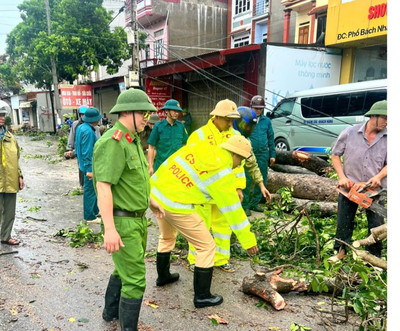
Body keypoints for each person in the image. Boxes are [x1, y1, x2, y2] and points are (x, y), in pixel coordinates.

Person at [150, 135, 258, 308]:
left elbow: (170, 164)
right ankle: (202, 296)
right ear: (235, 154)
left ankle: (163, 277)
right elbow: (233, 211)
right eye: (241, 160)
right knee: (206, 246)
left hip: (155, 196)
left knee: (167, 237)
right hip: (174, 204)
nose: (239, 164)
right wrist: (248, 241)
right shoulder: (222, 172)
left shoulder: (201, 147)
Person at [92, 88, 165, 331]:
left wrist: (150, 202)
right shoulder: (113, 142)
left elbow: (134, 181)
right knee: (135, 279)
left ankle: (109, 312)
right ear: (127, 112)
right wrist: (109, 229)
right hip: (122, 222)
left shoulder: (132, 141)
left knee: (124, 269)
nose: (147, 118)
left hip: (136, 219)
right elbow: (103, 187)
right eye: (143, 113)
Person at [186, 102, 270, 272]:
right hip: (203, 191)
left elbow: (239, 165)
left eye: (233, 120)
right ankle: (195, 260)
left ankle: (221, 259)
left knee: (223, 228)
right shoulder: (199, 135)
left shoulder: (234, 135)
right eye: (227, 120)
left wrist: (238, 188)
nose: (230, 124)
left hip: (225, 190)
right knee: (200, 226)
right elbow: (190, 163)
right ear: (215, 117)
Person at [328, 100, 387, 262]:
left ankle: (374, 257)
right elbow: (335, 155)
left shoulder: (389, 138)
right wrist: (342, 177)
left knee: (376, 224)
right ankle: (340, 251)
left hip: (374, 189)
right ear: (373, 117)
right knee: (344, 221)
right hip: (350, 187)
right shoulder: (350, 133)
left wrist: (378, 177)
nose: (387, 121)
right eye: (384, 117)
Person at [242, 95, 276, 216]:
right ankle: (244, 205)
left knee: (262, 179)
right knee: (247, 179)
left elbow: (271, 138)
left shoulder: (266, 121)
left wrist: (272, 154)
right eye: (256, 108)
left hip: (262, 154)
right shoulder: (247, 119)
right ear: (251, 107)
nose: (258, 111)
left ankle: (254, 203)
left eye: (260, 108)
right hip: (249, 153)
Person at [0, 103, 24, 246]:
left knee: (9, 212)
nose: (1, 118)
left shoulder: (10, 137)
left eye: (3, 115)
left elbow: (16, 158)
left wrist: (19, 176)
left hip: (10, 179)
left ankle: (5, 236)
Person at [147, 99, 188, 175]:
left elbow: (185, 145)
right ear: (166, 111)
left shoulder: (181, 126)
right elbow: (151, 147)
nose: (176, 113)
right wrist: (150, 166)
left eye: (178, 111)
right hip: (161, 167)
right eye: (174, 111)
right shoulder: (158, 126)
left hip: (177, 168)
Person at [75, 107, 102, 223]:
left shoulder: (81, 128)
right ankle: (90, 216)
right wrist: (90, 169)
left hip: (83, 165)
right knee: (90, 191)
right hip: (88, 166)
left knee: (93, 189)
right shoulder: (89, 132)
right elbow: (87, 152)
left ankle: (95, 210)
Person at [65, 105, 101, 187]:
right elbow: (72, 136)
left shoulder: (93, 127)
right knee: (84, 172)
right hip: (85, 155)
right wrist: (70, 148)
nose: (83, 116)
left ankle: (83, 185)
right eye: (81, 114)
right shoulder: (78, 126)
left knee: (83, 169)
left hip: (84, 154)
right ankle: (82, 185)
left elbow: (98, 140)